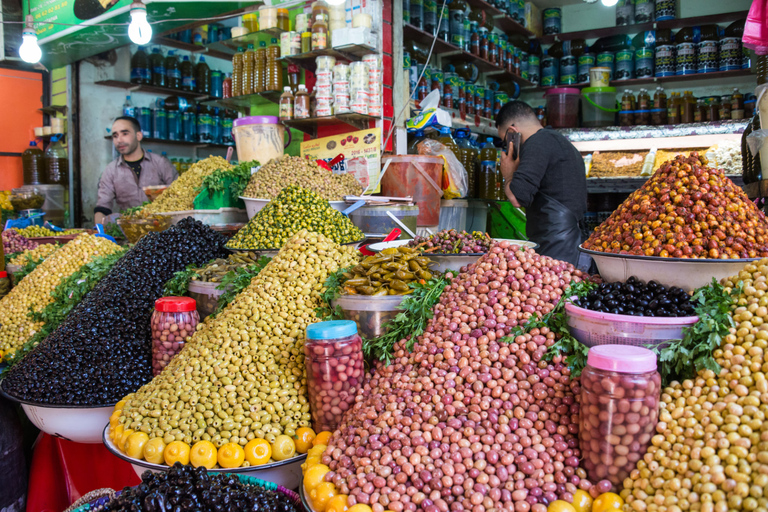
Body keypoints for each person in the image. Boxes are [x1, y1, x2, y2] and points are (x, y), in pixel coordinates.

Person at [495, 101, 588, 266]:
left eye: (505, 141)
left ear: (512, 132)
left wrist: (509, 174)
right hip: (570, 244)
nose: (506, 147)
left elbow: (517, 198)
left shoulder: (537, 143)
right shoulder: (559, 142)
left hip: (557, 246)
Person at [94, 117, 178, 225]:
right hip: (129, 230)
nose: (119, 140)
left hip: (162, 229)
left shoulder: (161, 163)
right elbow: (102, 207)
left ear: (138, 136)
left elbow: (179, 195)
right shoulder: (110, 171)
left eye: (125, 134)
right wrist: (99, 232)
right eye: (115, 136)